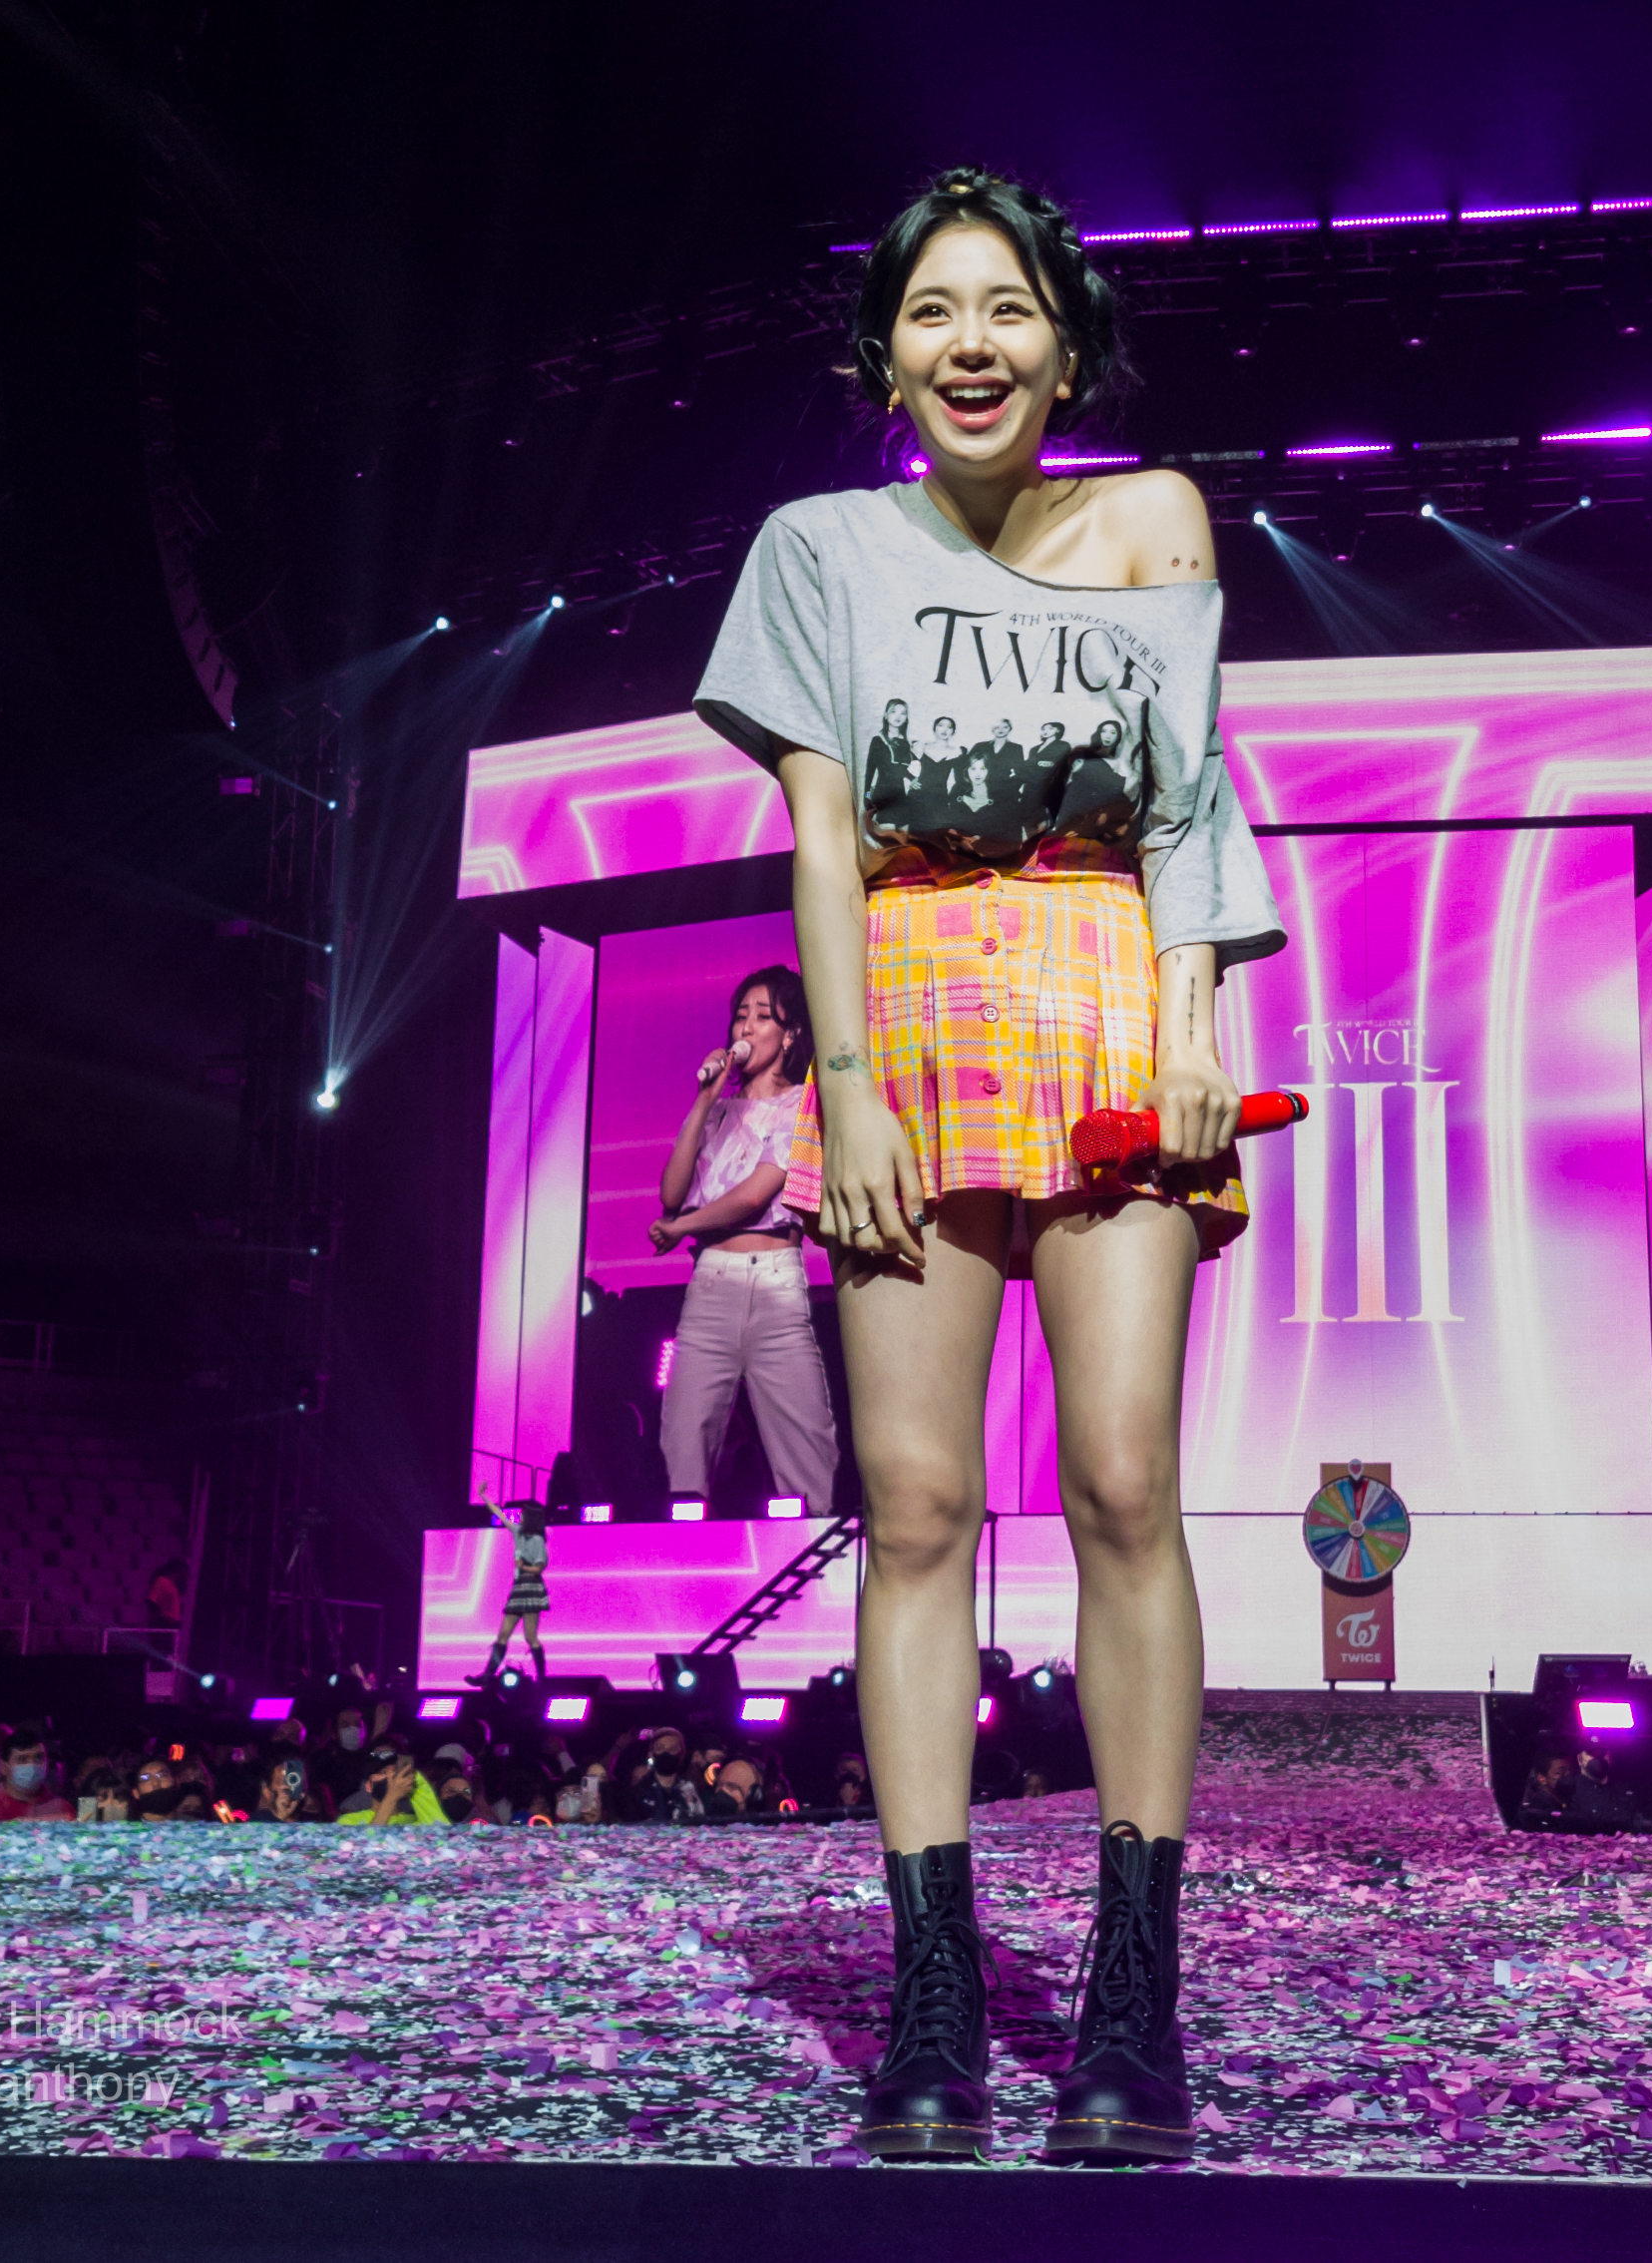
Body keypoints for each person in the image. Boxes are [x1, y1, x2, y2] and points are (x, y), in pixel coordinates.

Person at [693, 167, 1283, 2166]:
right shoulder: (817, 547)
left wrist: (1194, 1028)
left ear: (1066, 346)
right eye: (934, 311)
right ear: (883, 353)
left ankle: (1132, 1993)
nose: (972, 343)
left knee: (1122, 1482)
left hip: (1112, 999)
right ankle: (931, 1992)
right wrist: (844, 1088)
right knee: (921, 1508)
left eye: (1009, 308)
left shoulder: (1154, 517)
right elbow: (818, 829)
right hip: (909, 1012)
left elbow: (1185, 798)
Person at [649, 966, 842, 1522]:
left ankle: (814, 1552)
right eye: (741, 1015)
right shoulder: (719, 1112)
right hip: (711, 1285)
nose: (746, 1027)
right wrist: (703, 1101)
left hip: (775, 1283)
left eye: (763, 1016)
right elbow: (671, 1192)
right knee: (683, 1442)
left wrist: (682, 1228)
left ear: (791, 1034)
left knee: (806, 1444)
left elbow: (758, 1192)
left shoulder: (803, 1104)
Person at [478, 1505, 555, 1685]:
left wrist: (523, 1566)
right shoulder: (518, 1533)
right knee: (503, 1635)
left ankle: (542, 1678)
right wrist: (483, 1496)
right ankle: (486, 1677)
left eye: (523, 1515)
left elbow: (539, 1567)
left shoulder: (537, 1540)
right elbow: (501, 1516)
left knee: (530, 1637)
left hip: (531, 1586)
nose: (519, 1518)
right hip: (518, 1587)